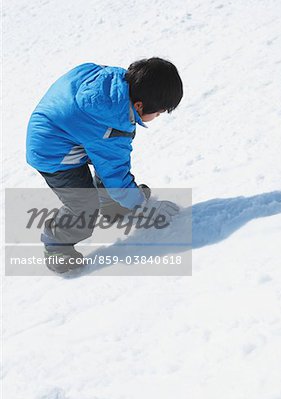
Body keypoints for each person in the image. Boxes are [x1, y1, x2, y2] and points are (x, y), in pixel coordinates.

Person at [26, 57, 183, 273]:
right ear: (139, 105)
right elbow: (116, 175)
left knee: (106, 161)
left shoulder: (113, 81)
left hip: (71, 132)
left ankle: (113, 205)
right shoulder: (111, 127)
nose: (157, 116)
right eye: (157, 112)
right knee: (84, 205)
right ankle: (57, 245)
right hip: (53, 153)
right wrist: (144, 207)